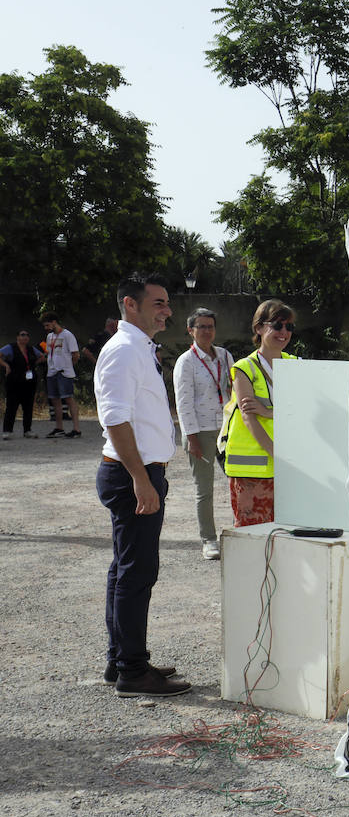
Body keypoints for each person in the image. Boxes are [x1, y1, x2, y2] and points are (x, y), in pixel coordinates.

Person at [94, 274, 188, 697]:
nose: (167, 310)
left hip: (140, 473)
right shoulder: (124, 350)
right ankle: (132, 671)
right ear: (130, 305)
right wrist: (139, 480)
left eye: (167, 303)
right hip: (133, 474)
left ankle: (123, 661)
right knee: (136, 573)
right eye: (159, 303)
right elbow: (115, 418)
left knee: (126, 570)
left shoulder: (138, 348)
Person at [224, 300, 298, 527]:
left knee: (286, 533)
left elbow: (305, 411)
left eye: (289, 327)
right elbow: (248, 418)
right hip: (252, 469)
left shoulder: (296, 364)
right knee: (253, 535)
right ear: (258, 328)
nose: (283, 332)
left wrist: (268, 412)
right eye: (277, 325)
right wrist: (277, 454)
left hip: (290, 465)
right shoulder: (244, 368)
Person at [172, 308, 234, 560]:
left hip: (228, 429)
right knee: (204, 490)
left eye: (210, 326)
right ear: (191, 330)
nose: (207, 331)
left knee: (239, 482)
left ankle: (242, 531)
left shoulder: (224, 356)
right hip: (202, 432)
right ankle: (208, 540)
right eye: (201, 327)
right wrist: (192, 438)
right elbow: (183, 403)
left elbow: (234, 386)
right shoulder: (186, 362)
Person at [41, 312, 82, 438]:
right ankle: (59, 428)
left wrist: (68, 367)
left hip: (64, 372)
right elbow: (49, 352)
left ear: (54, 322)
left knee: (68, 399)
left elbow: (75, 354)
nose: (46, 328)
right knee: (55, 400)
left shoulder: (67, 335)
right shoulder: (50, 337)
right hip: (52, 372)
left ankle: (76, 429)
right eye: (45, 326)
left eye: (48, 325)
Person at [1, 330, 44, 439]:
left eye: (27, 335)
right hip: (14, 381)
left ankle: (27, 430)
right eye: (22, 335)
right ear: (17, 337)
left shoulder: (31, 349)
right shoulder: (10, 347)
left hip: (29, 382)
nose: (25, 337)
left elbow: (42, 357)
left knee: (28, 406)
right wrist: (6, 365)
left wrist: (33, 364)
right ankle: (7, 430)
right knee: (11, 406)